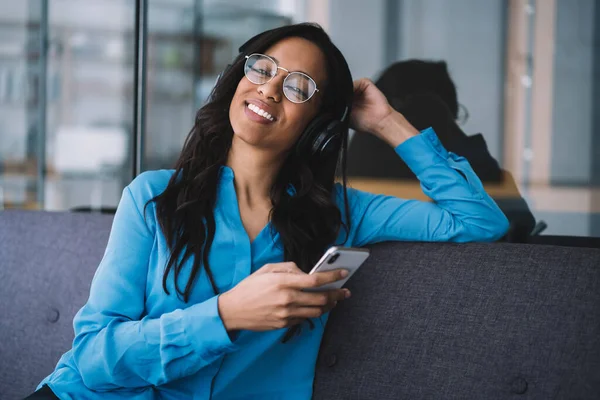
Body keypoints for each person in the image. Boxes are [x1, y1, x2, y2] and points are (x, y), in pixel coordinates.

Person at [29, 24, 508, 399]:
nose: (269, 89)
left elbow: (480, 221)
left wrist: (386, 122)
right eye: (262, 68)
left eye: (298, 86)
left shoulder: (339, 212)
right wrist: (226, 314)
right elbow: (93, 358)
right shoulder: (152, 198)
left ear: (320, 125)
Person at [347, 60, 537, 242]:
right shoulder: (351, 201)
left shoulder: (360, 207)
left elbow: (505, 223)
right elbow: (516, 221)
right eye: (450, 116)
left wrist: (387, 122)